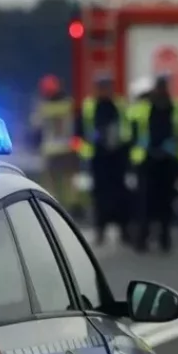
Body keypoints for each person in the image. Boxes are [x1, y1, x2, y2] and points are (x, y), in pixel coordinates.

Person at [76, 73, 130, 246]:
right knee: (100, 198)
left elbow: (128, 130)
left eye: (107, 87)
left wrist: (123, 148)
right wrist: (88, 149)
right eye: (101, 87)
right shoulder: (89, 107)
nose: (104, 90)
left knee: (120, 196)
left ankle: (124, 231)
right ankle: (101, 231)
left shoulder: (119, 105)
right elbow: (78, 135)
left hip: (117, 158)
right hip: (98, 159)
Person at [129, 75, 178, 253]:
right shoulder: (143, 109)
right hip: (147, 161)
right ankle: (142, 239)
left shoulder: (175, 108)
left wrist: (171, 147)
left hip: (167, 162)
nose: (161, 90)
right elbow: (133, 133)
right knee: (145, 204)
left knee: (165, 203)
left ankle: (164, 239)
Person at [30, 74, 77, 207]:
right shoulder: (68, 104)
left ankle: (52, 207)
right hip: (67, 148)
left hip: (50, 149)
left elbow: (36, 126)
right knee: (68, 182)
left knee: (51, 184)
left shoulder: (42, 107)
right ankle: (72, 208)